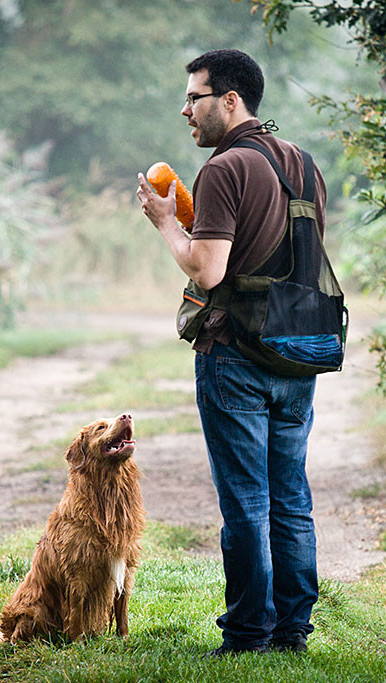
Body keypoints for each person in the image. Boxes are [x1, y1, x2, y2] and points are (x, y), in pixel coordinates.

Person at [136, 49, 327, 657]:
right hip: (300, 349)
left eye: (194, 97)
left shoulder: (224, 169)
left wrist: (166, 222)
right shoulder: (302, 162)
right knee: (290, 492)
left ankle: (248, 633)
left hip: (236, 353)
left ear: (229, 100)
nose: (184, 108)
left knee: (246, 499)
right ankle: (292, 630)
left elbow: (210, 269)